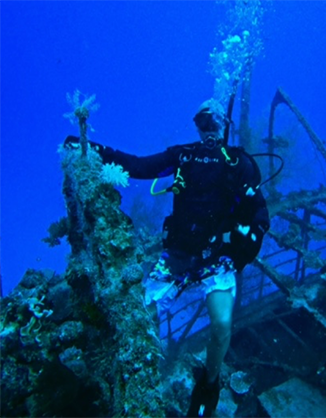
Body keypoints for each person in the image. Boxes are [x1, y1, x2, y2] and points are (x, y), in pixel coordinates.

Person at [65, 98, 270, 417]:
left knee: (222, 324)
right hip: (176, 257)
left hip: (216, 259)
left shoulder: (238, 163)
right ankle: (137, 382)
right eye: (203, 123)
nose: (209, 130)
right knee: (141, 317)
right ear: (197, 127)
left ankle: (209, 383)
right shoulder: (182, 155)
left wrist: (238, 255)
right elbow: (139, 166)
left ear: (224, 126)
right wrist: (93, 149)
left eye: (214, 123)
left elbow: (258, 214)